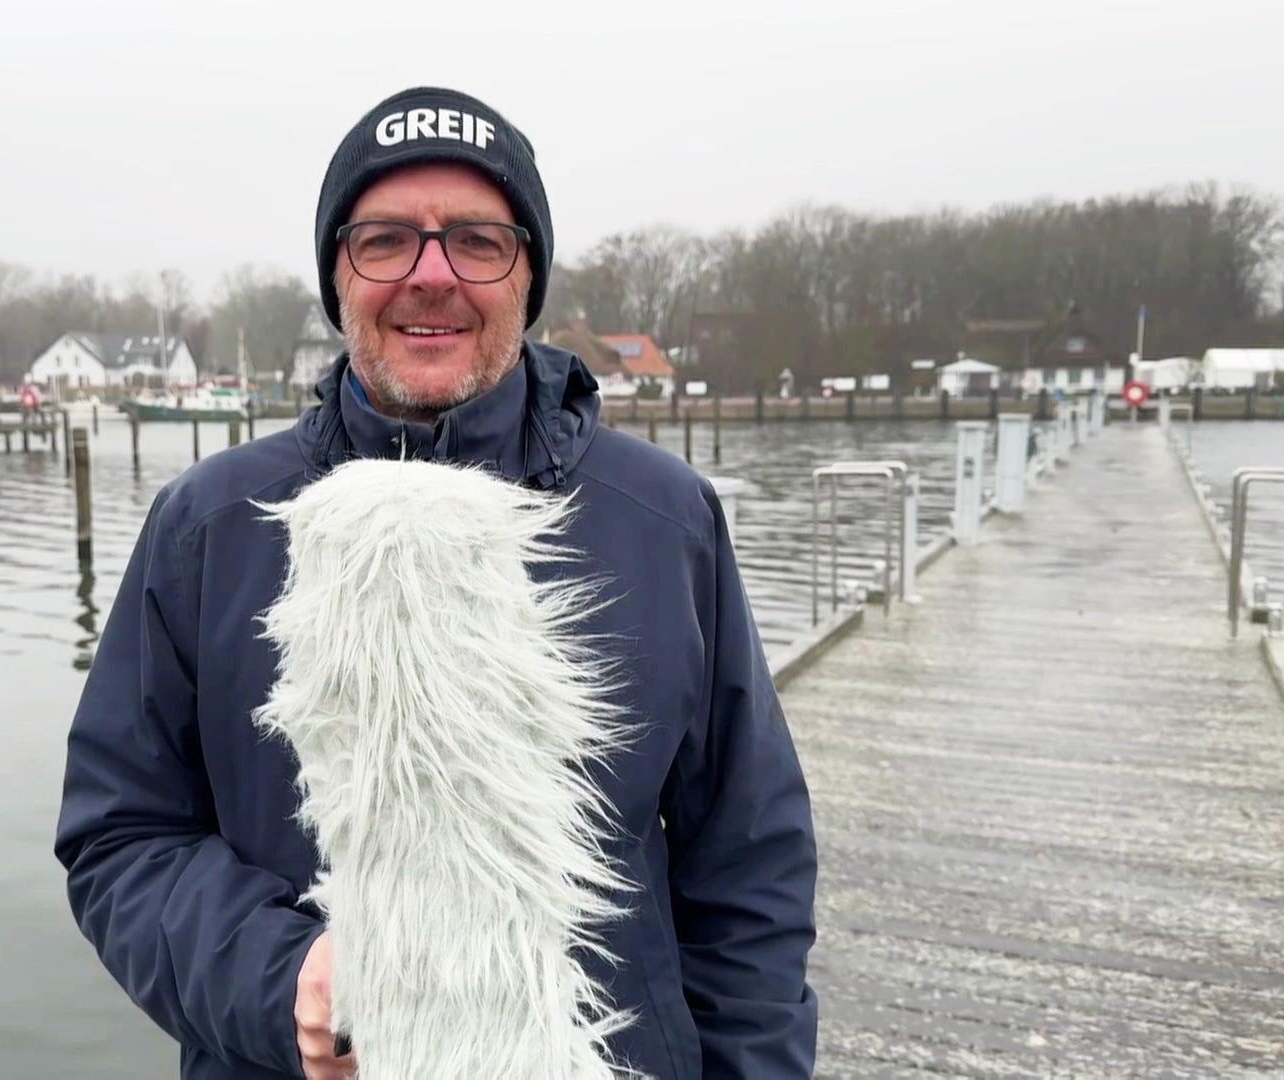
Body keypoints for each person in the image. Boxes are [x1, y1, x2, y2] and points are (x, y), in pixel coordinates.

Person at [56, 86, 818, 1080]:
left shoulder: (667, 519)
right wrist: (278, 980)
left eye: (477, 240)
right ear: (338, 275)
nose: (431, 275)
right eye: (385, 241)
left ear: (527, 274)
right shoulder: (207, 527)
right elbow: (120, 837)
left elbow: (748, 861)